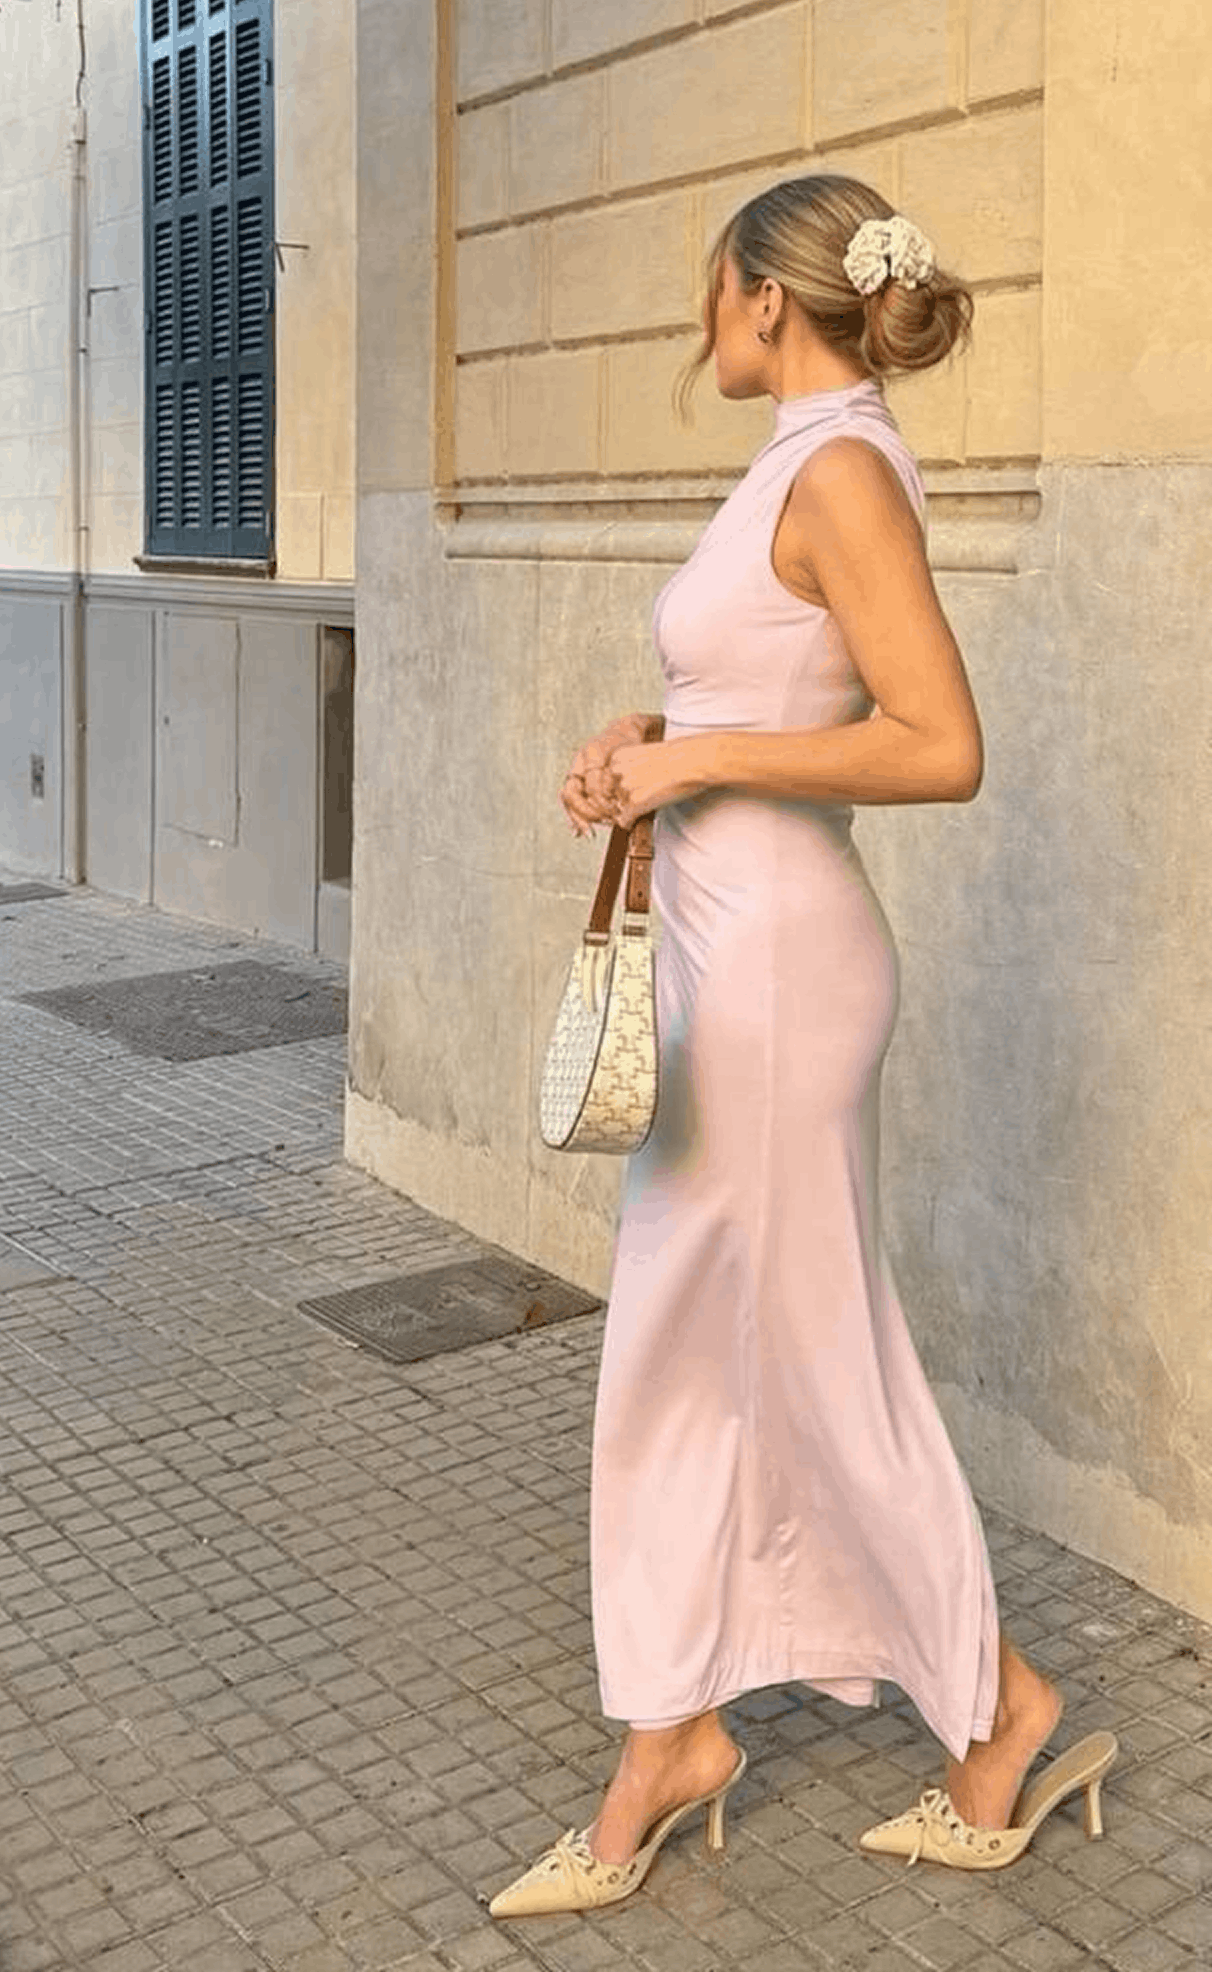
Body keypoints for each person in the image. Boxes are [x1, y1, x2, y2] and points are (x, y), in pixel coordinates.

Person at [488, 176, 1116, 1918]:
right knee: (698, 1357)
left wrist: (698, 762)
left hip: (777, 975)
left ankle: (991, 1713)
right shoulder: (799, 461)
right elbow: (771, 692)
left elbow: (940, 744)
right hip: (726, 955)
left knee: (802, 1361)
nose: (698, 315)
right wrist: (648, 737)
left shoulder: (840, 470)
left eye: (714, 285)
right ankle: (682, 1729)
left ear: (770, 297)